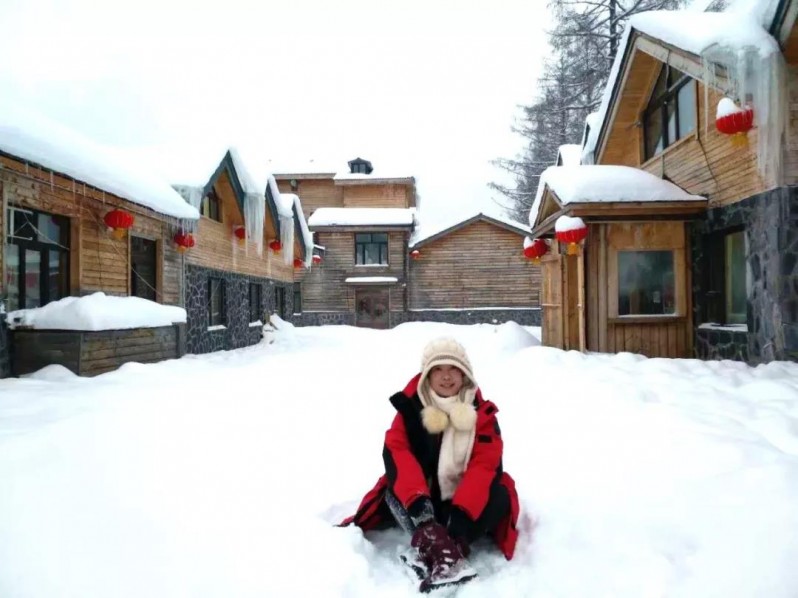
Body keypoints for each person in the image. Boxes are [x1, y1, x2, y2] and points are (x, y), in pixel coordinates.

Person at [340, 337, 519, 592]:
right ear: (427, 376)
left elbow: (485, 466)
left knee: (500, 493)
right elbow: (398, 452)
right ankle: (434, 546)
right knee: (393, 489)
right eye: (438, 370)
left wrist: (461, 518)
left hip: (464, 507)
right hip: (423, 506)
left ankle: (451, 547)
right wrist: (420, 508)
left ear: (465, 374)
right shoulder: (410, 409)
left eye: (453, 368)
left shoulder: (483, 415)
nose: (446, 377)